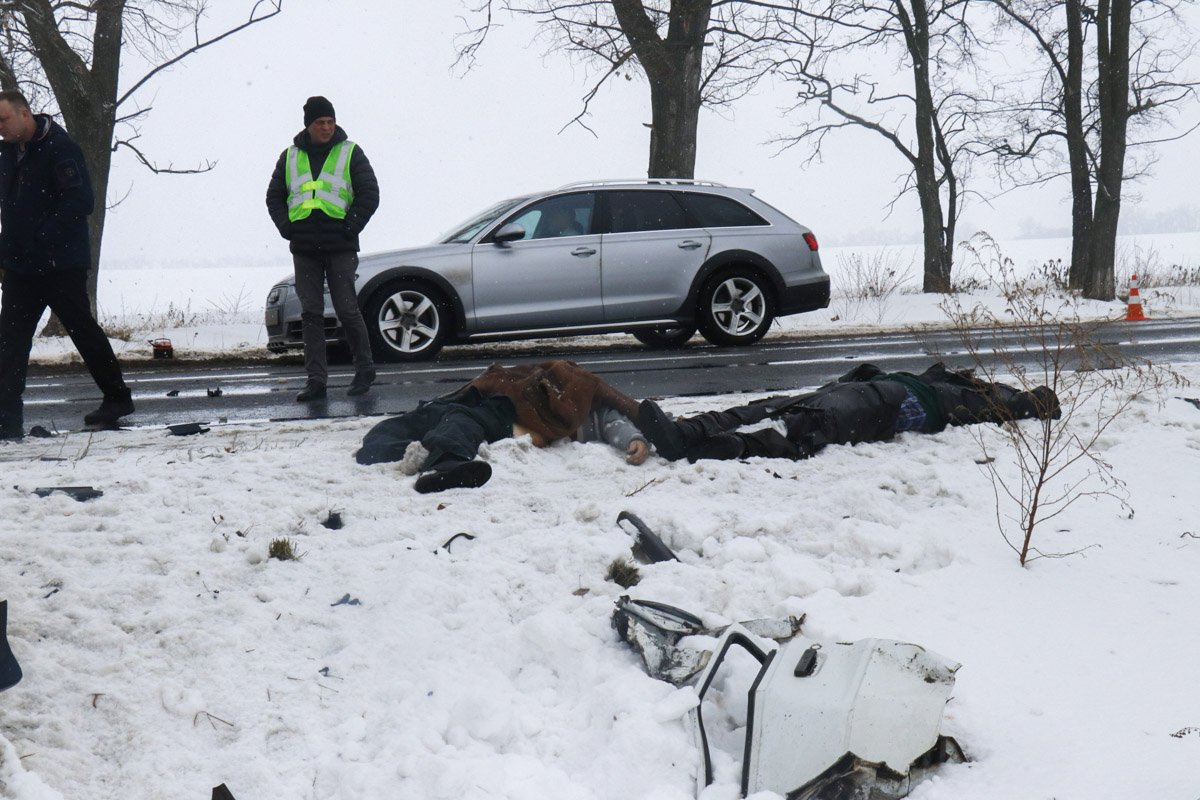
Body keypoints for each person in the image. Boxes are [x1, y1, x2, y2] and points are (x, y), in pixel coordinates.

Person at [0, 90, 134, 439]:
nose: (0, 128)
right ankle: (6, 417)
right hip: (20, 267)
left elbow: (80, 200)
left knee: (83, 331)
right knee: (10, 341)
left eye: (4, 119)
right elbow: (12, 208)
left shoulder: (60, 148)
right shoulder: (8, 153)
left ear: (25, 113)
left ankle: (118, 398)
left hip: (59, 264)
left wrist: (42, 236)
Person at [636, 362, 1061, 463]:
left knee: (802, 429)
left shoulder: (962, 400)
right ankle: (683, 433)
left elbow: (1018, 403)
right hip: (864, 391)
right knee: (765, 407)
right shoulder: (933, 378)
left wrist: (1037, 399)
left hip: (884, 407)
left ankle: (699, 450)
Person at [354, 360, 648, 493]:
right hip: (496, 400)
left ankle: (446, 464)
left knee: (463, 422)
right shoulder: (574, 388)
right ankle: (425, 454)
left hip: (506, 416)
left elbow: (616, 423)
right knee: (379, 442)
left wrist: (634, 439)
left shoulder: (601, 410)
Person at [266, 96, 380, 402]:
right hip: (304, 247)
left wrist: (350, 227)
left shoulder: (350, 152)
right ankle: (316, 381)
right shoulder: (289, 156)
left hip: (340, 245)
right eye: (320, 123)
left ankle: (364, 368)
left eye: (330, 122)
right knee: (311, 315)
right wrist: (287, 228)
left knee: (346, 309)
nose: (327, 128)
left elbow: (370, 193)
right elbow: (274, 197)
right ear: (309, 125)